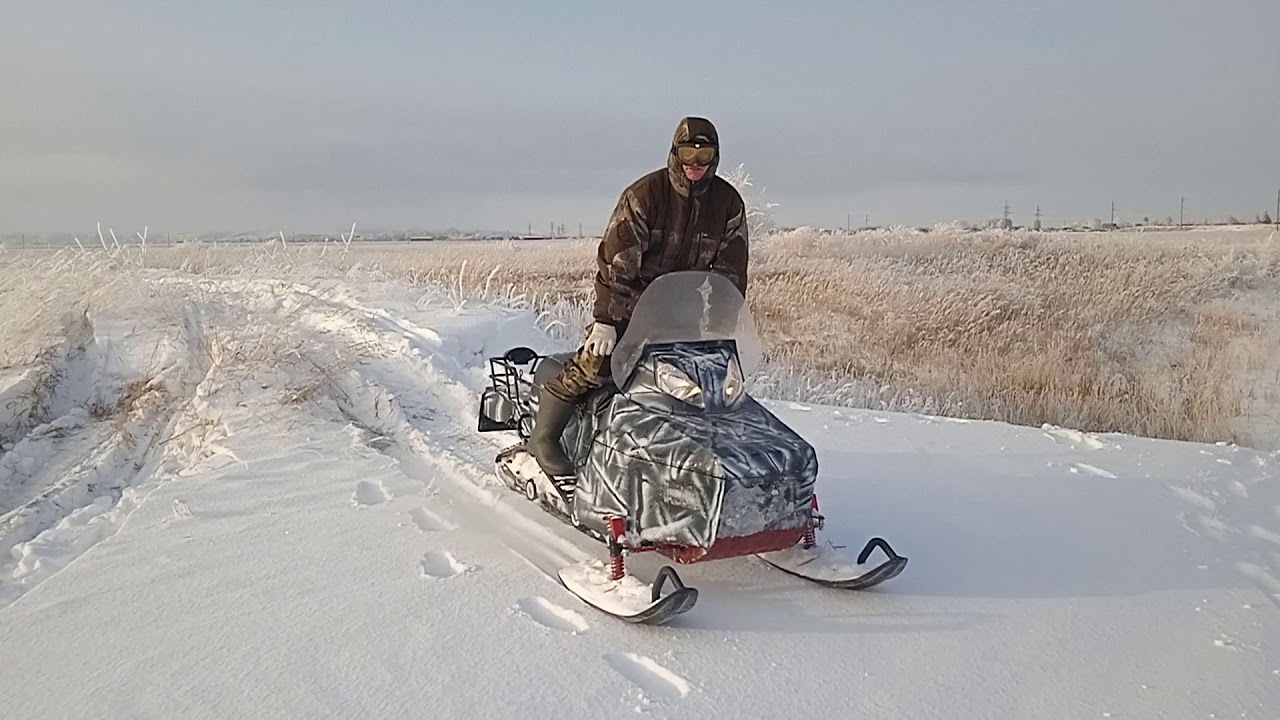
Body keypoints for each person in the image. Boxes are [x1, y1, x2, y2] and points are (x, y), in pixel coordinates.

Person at [527, 115, 750, 478]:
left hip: (684, 314)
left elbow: (731, 272)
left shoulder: (727, 203)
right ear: (675, 153)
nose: (695, 165)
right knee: (597, 367)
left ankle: (697, 463)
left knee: (704, 386)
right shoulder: (645, 195)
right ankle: (545, 437)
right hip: (631, 309)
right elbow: (617, 263)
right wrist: (606, 321)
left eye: (704, 154)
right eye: (688, 154)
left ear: (716, 156)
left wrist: (721, 331)